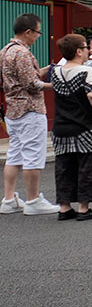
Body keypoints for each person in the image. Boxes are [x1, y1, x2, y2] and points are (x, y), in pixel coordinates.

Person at [0, 13, 59, 216]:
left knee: (14, 154)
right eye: (37, 32)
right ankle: (33, 200)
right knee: (33, 155)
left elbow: (18, 79)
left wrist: (45, 70)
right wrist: (58, 84)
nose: (38, 36)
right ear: (28, 32)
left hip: (12, 109)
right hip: (30, 110)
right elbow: (32, 84)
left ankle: (8, 200)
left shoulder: (5, 51)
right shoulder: (23, 54)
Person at [50, 34, 92, 220]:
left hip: (60, 127)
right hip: (83, 128)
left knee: (64, 167)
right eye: (86, 47)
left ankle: (64, 207)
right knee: (87, 166)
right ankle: (83, 208)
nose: (89, 51)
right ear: (78, 51)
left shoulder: (55, 72)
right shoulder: (86, 71)